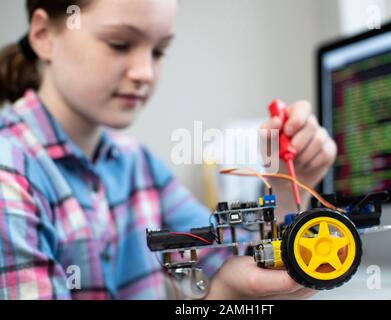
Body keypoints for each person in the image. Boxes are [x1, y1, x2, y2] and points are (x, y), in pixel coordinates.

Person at [0, 0, 337, 300]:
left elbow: (238, 257)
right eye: (119, 44)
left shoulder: (137, 164)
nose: (145, 72)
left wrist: (287, 183)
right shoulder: (9, 174)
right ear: (44, 35)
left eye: (158, 51)